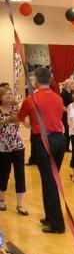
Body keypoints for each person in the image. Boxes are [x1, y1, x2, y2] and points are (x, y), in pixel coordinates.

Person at [16, 68, 65, 233]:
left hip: (44, 142)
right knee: (49, 180)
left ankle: (57, 225)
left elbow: (19, 117)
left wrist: (24, 123)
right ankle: (50, 217)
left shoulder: (31, 99)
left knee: (49, 182)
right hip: (59, 140)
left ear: (36, 80)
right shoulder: (58, 98)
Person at [0, 86, 27, 216]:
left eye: (10, 93)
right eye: (5, 94)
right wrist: (6, 120)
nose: (8, 95)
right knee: (3, 174)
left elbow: (25, 122)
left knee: (20, 175)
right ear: (0, 97)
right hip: (2, 148)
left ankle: (20, 205)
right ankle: (2, 200)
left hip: (18, 146)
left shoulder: (17, 109)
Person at [60, 79, 74, 152]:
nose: (72, 84)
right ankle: (65, 147)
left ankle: (66, 147)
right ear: (67, 85)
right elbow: (61, 105)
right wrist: (69, 111)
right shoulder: (63, 93)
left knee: (69, 130)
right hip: (65, 115)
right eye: (71, 83)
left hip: (70, 114)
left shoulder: (70, 93)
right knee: (66, 131)